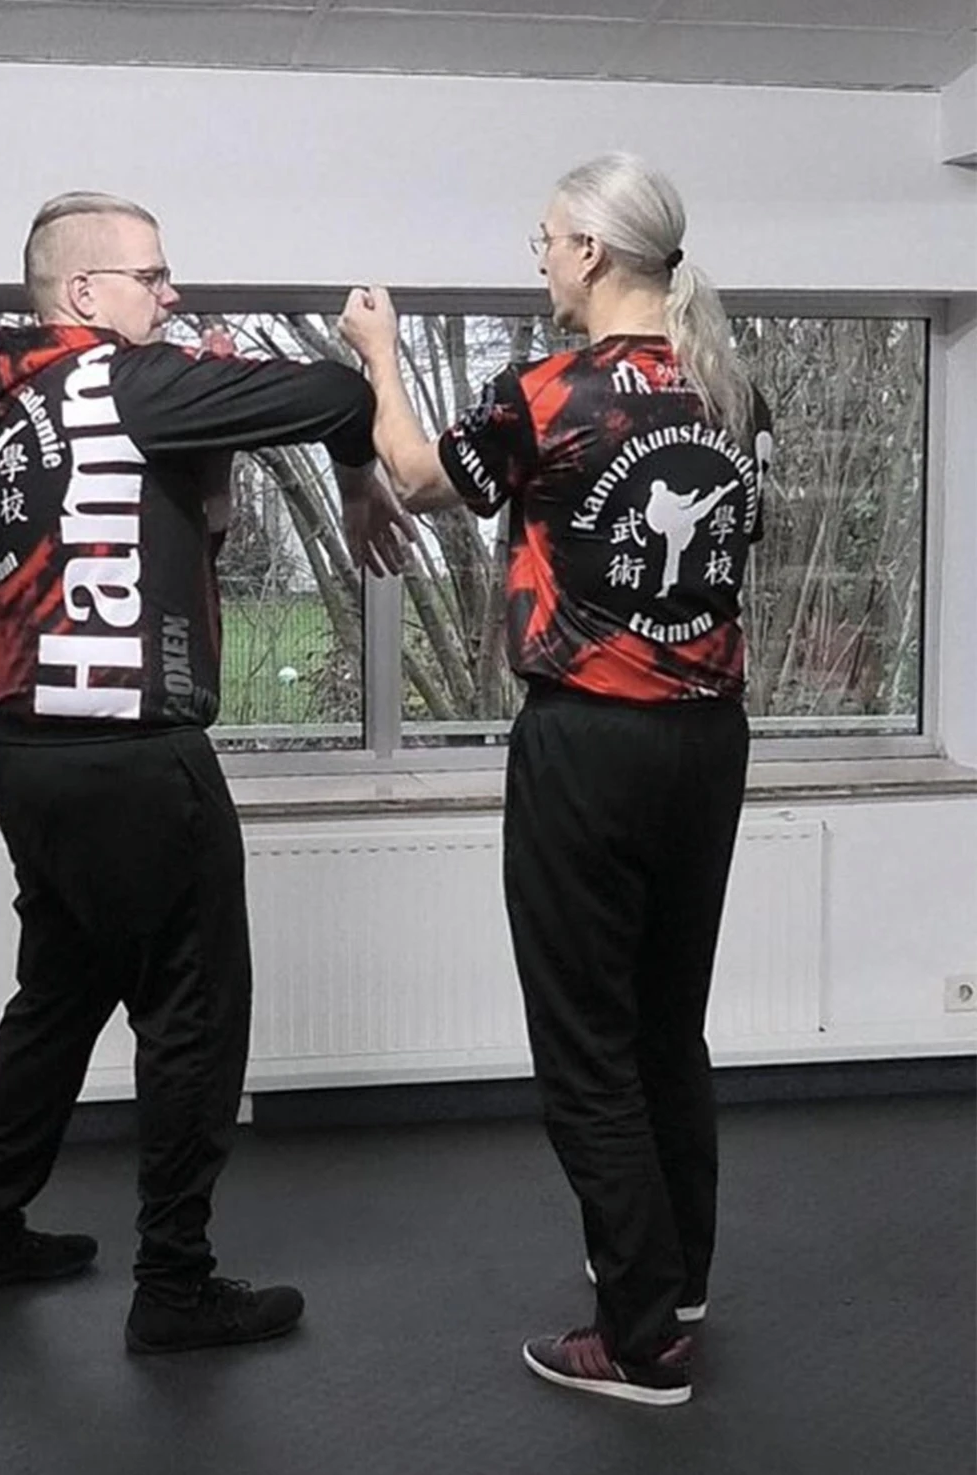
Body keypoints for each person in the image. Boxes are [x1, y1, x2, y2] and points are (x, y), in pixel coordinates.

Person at [0, 190, 410, 1355]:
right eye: (152, 276)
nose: (172, 293)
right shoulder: (128, 382)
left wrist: (207, 445)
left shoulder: (13, 403)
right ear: (85, 295)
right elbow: (342, 393)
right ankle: (177, 1283)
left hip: (29, 751)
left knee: (61, 990)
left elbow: (165, 526)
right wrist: (357, 472)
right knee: (191, 1012)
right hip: (134, 759)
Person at [339, 153, 772, 1406]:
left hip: (593, 741)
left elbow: (419, 478)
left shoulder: (551, 390)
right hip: (710, 739)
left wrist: (380, 345)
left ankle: (639, 1340)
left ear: (589, 251)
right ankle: (677, 1276)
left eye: (543, 242)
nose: (538, 263)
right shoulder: (731, 387)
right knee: (663, 1024)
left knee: (586, 1047)